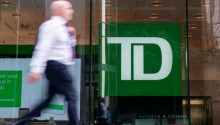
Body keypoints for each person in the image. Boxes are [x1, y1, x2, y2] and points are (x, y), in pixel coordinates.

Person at [13, 0, 78, 125]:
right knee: (72, 97)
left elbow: (68, 48)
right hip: (56, 67)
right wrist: (36, 70)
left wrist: (73, 35)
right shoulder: (51, 26)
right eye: (69, 8)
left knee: (47, 101)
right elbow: (43, 48)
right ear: (58, 10)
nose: (72, 11)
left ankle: (19, 122)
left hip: (58, 67)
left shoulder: (64, 28)